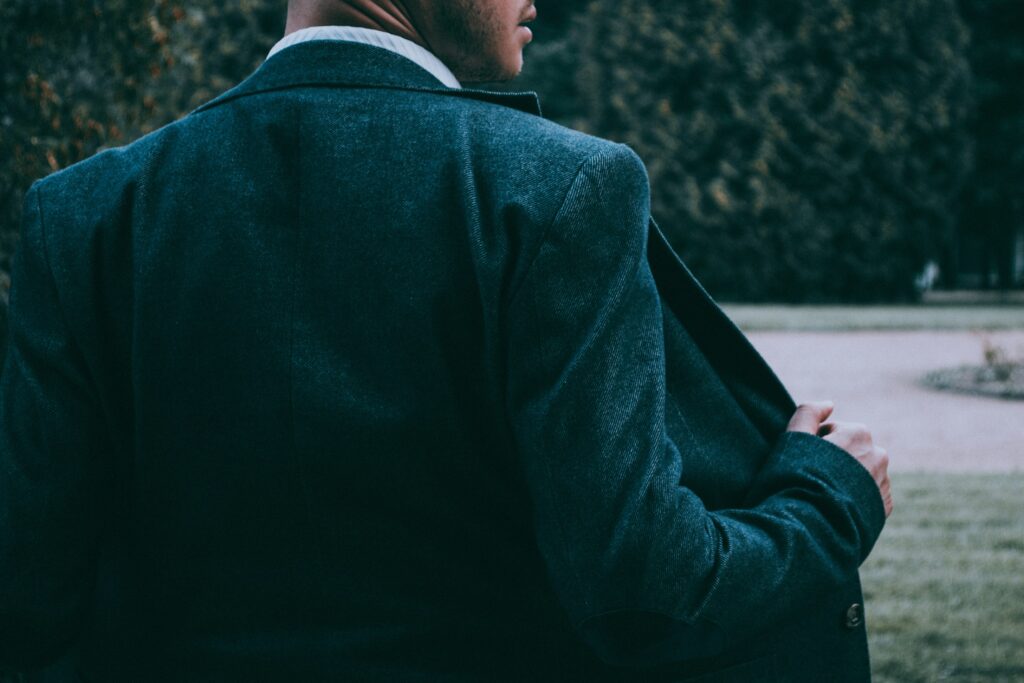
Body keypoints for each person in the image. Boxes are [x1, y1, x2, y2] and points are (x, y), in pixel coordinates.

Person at [0, 0, 893, 680]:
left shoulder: (82, 216)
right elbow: (647, 591)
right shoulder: (554, 190)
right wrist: (829, 494)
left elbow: (32, 603)